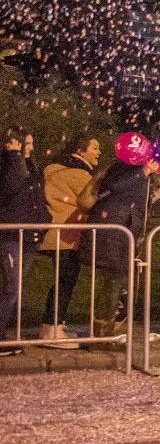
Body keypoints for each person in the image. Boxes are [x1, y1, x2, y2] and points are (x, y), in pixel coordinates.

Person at [87, 136, 160, 340]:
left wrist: (154, 194)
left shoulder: (137, 172)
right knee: (113, 279)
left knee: (117, 280)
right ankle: (102, 331)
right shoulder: (121, 168)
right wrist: (142, 172)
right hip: (114, 231)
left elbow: (138, 203)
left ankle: (107, 327)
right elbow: (115, 186)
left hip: (124, 230)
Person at [38, 134, 102, 347]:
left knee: (62, 279)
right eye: (94, 147)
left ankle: (53, 326)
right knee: (66, 280)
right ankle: (52, 328)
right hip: (67, 235)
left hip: (51, 233)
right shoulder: (80, 176)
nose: (99, 152)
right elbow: (92, 201)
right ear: (80, 150)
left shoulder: (52, 170)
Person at [0, 128, 50, 355]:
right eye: (24, 143)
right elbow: (12, 187)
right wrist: (13, 156)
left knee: (17, 287)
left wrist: (44, 219)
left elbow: (34, 196)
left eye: (30, 143)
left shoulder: (30, 166)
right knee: (12, 286)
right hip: (11, 235)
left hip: (30, 235)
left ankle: (9, 332)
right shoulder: (8, 165)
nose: (29, 147)